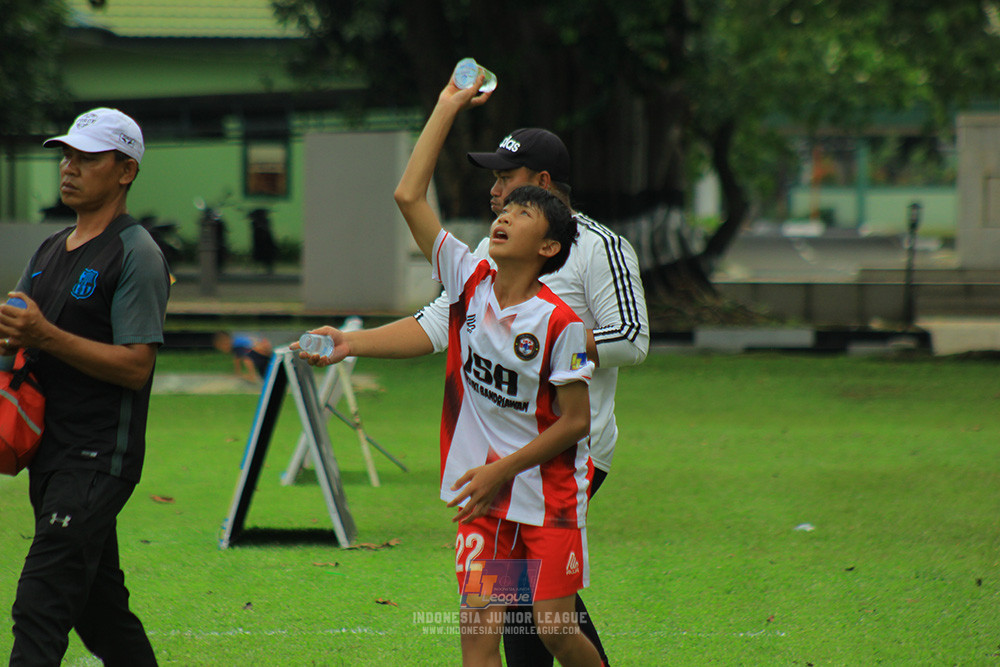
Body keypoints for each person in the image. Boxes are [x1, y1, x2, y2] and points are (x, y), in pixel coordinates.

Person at [298, 125, 647, 667]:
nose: (496, 194)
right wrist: (352, 343)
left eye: (507, 179)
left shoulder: (590, 267)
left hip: (560, 466)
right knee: (502, 618)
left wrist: (552, 354)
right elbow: (438, 320)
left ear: (544, 184)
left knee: (545, 620)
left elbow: (630, 338)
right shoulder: (483, 263)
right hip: (484, 471)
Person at [1, 107, 170, 665]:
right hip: (49, 454)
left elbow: (135, 366)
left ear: (125, 171)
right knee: (101, 614)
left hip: (98, 456)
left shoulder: (136, 253)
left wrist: (44, 334)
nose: (69, 168)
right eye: (66, 156)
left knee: (40, 604)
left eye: (87, 158)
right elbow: (18, 335)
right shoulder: (50, 249)